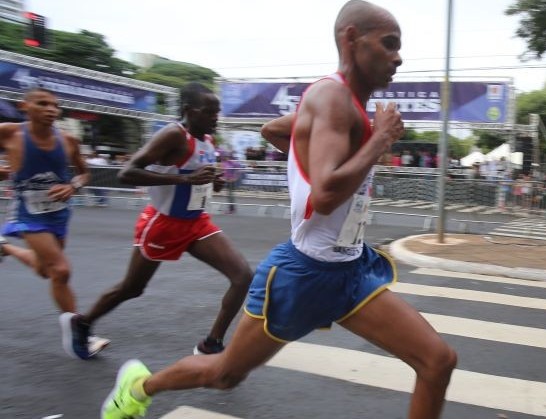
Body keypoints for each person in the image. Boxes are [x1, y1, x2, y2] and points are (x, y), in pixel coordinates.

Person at [101, 2, 456, 418]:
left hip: (350, 272)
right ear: (351, 39)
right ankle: (138, 387)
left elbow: (274, 131)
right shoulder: (331, 97)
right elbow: (324, 196)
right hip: (304, 274)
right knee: (225, 374)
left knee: (438, 361)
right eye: (389, 44)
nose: (398, 57)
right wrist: (377, 142)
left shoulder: (345, 106)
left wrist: (303, 163)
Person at [79, 82, 254, 357]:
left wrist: (212, 183)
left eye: (217, 112)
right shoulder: (173, 134)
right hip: (164, 224)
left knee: (243, 276)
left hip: (197, 224)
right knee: (132, 288)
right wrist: (185, 179)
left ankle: (211, 344)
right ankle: (82, 323)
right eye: (209, 112)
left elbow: (197, 178)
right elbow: (128, 173)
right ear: (188, 110)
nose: (215, 118)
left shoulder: (207, 140)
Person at [0, 87, 106, 359]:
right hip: (27, 214)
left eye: (55, 105)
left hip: (59, 214)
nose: (51, 110)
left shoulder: (68, 140)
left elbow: (84, 173)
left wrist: (73, 185)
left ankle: (5, 248)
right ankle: (80, 335)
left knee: (45, 270)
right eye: (42, 103)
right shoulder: (9, 133)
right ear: (25, 107)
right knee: (60, 270)